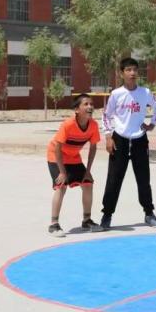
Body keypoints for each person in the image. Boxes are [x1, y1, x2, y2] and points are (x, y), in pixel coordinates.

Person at [99, 58, 156, 230]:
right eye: (128, 70)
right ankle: (107, 215)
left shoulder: (145, 92)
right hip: (119, 139)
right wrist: (108, 136)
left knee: (143, 179)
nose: (132, 73)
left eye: (135, 70)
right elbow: (106, 115)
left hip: (140, 140)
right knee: (114, 179)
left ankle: (149, 213)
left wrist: (152, 124)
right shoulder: (116, 94)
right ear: (122, 73)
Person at [47, 93, 102, 237]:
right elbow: (57, 148)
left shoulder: (93, 125)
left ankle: (87, 221)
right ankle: (54, 224)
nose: (90, 107)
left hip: (73, 157)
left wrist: (88, 171)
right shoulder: (68, 124)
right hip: (56, 156)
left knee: (88, 183)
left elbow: (93, 148)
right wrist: (62, 172)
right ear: (77, 109)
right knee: (61, 185)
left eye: (91, 104)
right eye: (86, 104)